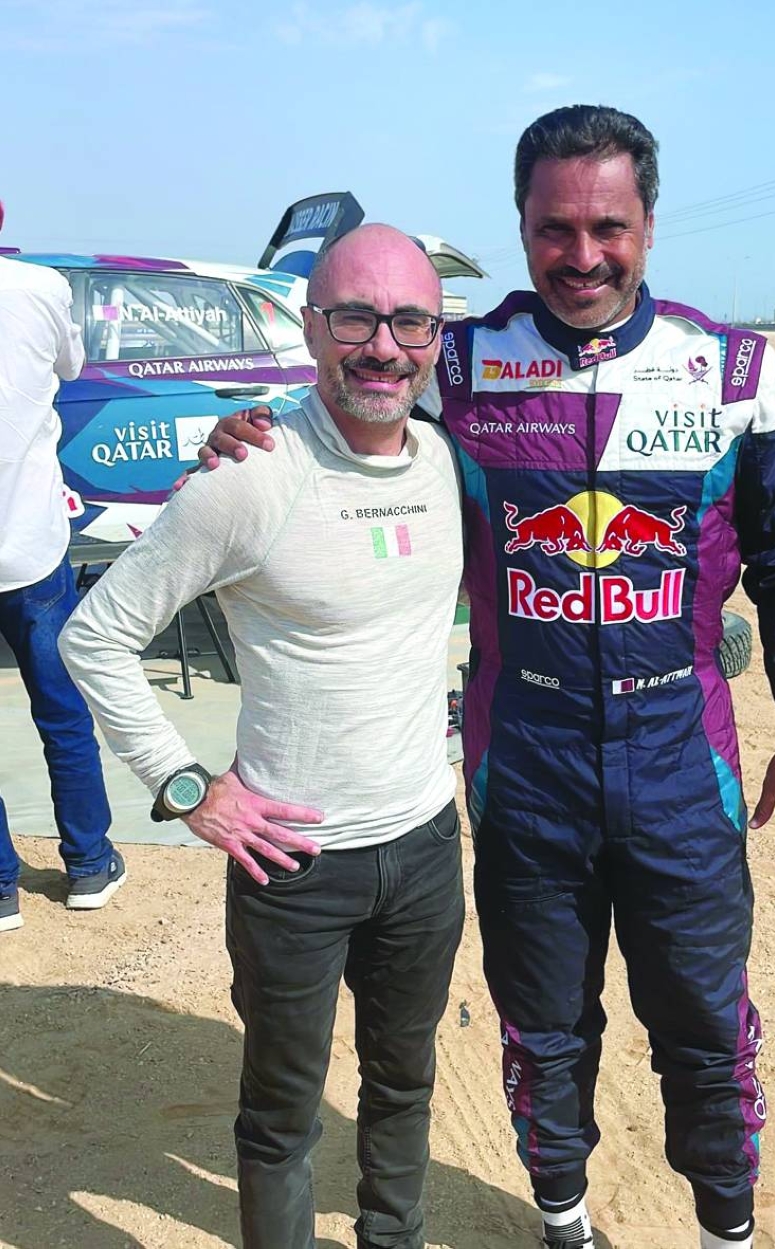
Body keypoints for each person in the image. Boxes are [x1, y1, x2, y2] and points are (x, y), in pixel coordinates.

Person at [202, 105, 775, 1249]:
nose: (581, 255)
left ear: (649, 223)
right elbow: (350, 398)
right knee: (542, 1025)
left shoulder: (735, 371)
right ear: (523, 227)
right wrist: (247, 431)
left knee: (703, 1023)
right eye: (555, 229)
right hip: (523, 764)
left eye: (608, 227)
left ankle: (725, 1229)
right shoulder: (460, 361)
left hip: (680, 763)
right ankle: (562, 1218)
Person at [58, 225, 467, 1249]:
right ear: (310, 325)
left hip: (423, 844)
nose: (382, 345)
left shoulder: (445, 456)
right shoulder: (251, 472)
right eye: (354, 318)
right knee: (282, 1114)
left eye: (408, 320)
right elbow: (95, 634)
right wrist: (188, 788)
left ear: (435, 333)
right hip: (293, 861)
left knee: (403, 1082)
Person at [0, 199, 126, 930]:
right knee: (63, 711)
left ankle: (2, 889)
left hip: (31, 543)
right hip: (33, 544)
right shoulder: (40, 287)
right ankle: (87, 864)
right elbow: (70, 365)